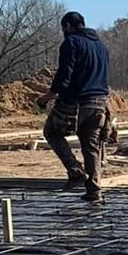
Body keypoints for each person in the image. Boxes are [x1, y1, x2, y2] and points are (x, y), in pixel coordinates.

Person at [39, 11, 113, 203]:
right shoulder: (101, 46)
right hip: (99, 104)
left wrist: (47, 96)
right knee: (91, 147)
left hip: (76, 103)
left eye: (64, 29)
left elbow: (65, 75)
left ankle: (75, 171)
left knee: (52, 132)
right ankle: (94, 191)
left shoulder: (71, 43)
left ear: (68, 27)